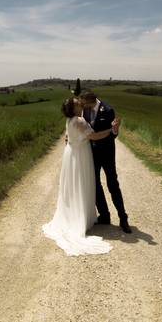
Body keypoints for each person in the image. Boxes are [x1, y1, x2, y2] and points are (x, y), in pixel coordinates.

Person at [42, 96, 120, 256]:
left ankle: (76, 215)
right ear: (74, 107)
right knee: (82, 184)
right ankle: (80, 218)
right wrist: (111, 130)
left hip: (71, 154)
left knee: (74, 186)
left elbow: (69, 137)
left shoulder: (70, 120)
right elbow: (94, 136)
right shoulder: (80, 120)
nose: (79, 102)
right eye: (76, 102)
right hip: (80, 155)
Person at [80, 90, 131, 233]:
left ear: (92, 101)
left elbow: (113, 134)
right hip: (91, 153)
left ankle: (123, 217)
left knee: (112, 184)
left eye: (86, 104)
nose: (84, 107)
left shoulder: (108, 110)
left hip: (107, 153)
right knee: (95, 184)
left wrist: (115, 130)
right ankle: (104, 215)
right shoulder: (85, 109)